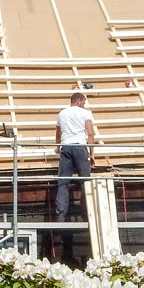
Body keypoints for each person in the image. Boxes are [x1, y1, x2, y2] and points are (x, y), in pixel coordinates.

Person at [54, 92, 96, 253]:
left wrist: (58, 147)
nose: (84, 105)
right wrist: (91, 153)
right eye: (83, 102)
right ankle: (87, 212)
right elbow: (90, 133)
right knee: (85, 182)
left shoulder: (61, 113)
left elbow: (58, 134)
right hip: (79, 147)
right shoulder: (84, 113)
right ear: (79, 102)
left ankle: (60, 217)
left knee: (63, 183)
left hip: (65, 148)